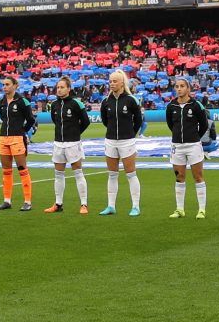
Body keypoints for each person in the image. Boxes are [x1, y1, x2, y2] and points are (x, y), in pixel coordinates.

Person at [99, 69, 145, 217]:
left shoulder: (131, 100)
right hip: (110, 140)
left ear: (122, 82)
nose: (112, 84)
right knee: (112, 174)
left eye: (115, 81)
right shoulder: (106, 101)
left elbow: (138, 121)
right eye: (110, 81)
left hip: (127, 141)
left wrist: (130, 134)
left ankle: (136, 206)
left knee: (131, 174)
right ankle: (111, 206)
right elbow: (105, 121)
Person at [165, 76, 211, 218]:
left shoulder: (196, 105)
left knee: (198, 177)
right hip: (177, 146)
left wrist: (194, 137)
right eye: (177, 86)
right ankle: (180, 209)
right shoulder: (171, 106)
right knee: (179, 177)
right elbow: (170, 125)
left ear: (188, 88)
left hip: (193, 146)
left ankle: (201, 209)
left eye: (182, 86)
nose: (179, 89)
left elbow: (203, 125)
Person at [45, 77, 90, 214]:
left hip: (73, 143)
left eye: (62, 87)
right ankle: (58, 204)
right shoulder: (54, 105)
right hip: (58, 143)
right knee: (58, 174)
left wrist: (75, 134)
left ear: (69, 89)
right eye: (58, 87)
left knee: (78, 173)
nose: (59, 90)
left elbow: (86, 122)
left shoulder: (76, 104)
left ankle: (83, 204)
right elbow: (55, 120)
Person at [0, 76, 35, 211]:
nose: (4, 87)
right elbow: (3, 118)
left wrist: (22, 131)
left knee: (22, 170)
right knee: (6, 171)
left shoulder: (23, 101)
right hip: (3, 138)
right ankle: (7, 201)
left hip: (17, 138)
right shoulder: (1, 102)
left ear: (15, 85)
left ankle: (27, 201)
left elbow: (30, 119)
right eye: (3, 84)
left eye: (7, 84)